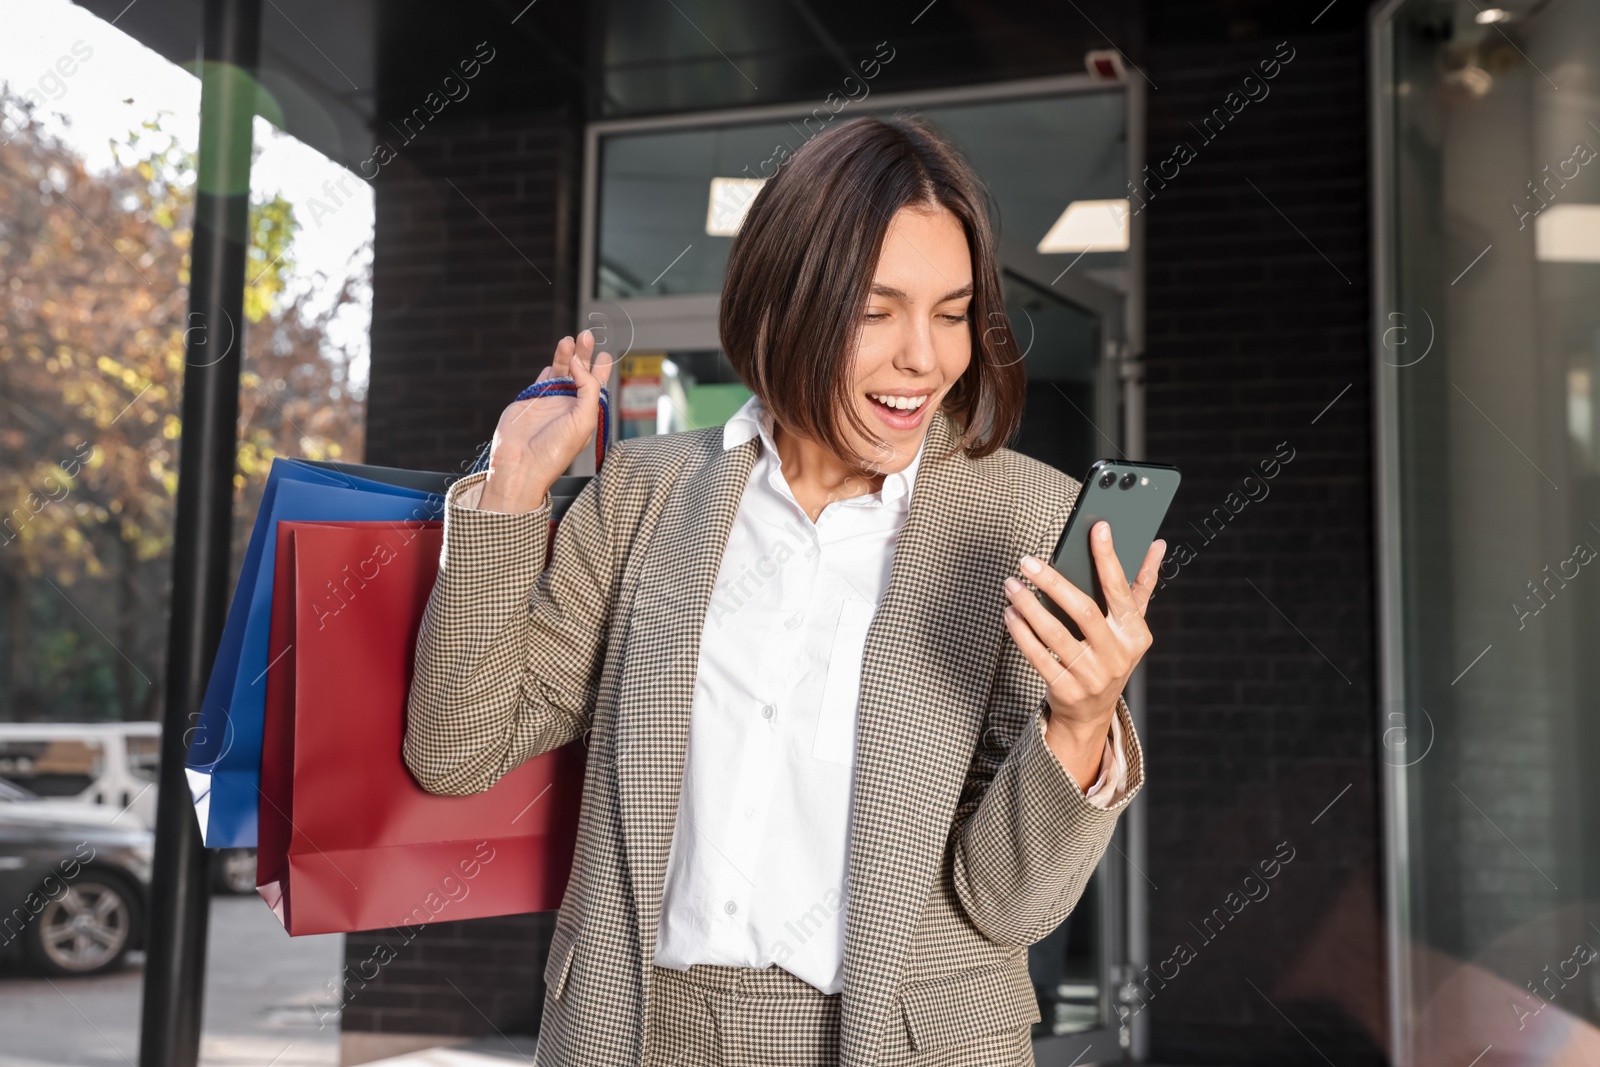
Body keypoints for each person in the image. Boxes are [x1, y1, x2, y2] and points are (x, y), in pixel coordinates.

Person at [403, 115, 1161, 1067]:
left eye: (954, 311)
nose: (923, 358)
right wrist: (512, 490)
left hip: (890, 1042)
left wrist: (1083, 722)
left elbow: (1010, 903)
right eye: (877, 311)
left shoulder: (1027, 524)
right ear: (781, 304)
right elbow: (457, 750)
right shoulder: (645, 494)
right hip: (634, 1031)